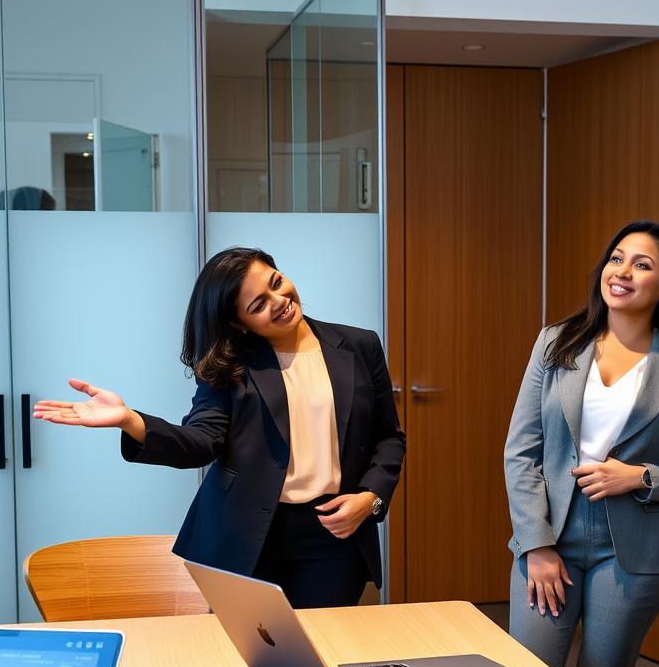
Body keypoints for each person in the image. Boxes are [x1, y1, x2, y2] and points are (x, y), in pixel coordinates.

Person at [33, 246, 404, 608]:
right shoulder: (231, 364)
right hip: (248, 534)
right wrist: (131, 420)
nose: (278, 300)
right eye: (257, 305)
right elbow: (201, 440)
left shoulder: (359, 345)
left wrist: (370, 498)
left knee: (324, 650)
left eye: (276, 282)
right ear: (236, 322)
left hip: (333, 532)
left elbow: (388, 437)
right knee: (248, 654)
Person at [504, 221, 659, 667]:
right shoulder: (556, 343)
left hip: (635, 551)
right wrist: (536, 544)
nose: (621, 271)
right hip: (551, 535)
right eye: (616, 258)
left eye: (642, 265)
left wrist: (641, 476)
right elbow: (521, 450)